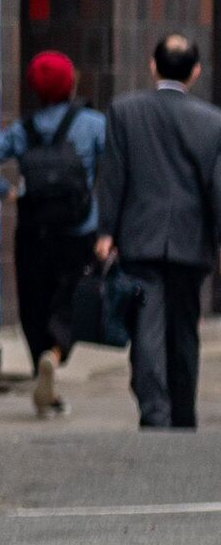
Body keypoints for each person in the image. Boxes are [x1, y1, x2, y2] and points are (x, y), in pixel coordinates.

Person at [91, 32, 221, 430]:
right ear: (195, 72)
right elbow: (216, 188)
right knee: (185, 329)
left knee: (147, 327)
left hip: (140, 238)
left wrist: (106, 231)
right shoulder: (212, 122)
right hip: (190, 240)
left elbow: (113, 174)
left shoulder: (125, 111)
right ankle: (183, 414)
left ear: (153, 64)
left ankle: (155, 412)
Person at [0, 50, 106, 417]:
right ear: (70, 84)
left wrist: (7, 191)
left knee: (34, 303)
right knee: (70, 300)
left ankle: (41, 370)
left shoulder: (23, 129)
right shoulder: (93, 124)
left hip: (34, 229)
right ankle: (55, 353)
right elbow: (113, 166)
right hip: (78, 229)